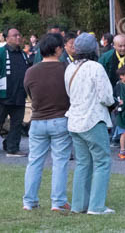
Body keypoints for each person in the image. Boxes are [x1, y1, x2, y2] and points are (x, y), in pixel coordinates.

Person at [64, 33, 115, 215]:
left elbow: (69, 93)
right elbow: (106, 97)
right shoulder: (96, 67)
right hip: (92, 120)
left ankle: (79, 205)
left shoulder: (70, 67)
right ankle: (96, 207)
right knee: (102, 162)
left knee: (83, 164)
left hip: (74, 120)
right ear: (94, 49)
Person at [22, 33, 72, 212]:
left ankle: (29, 201)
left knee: (34, 162)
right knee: (60, 162)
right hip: (60, 119)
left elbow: (29, 92)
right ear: (58, 49)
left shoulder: (31, 71)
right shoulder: (66, 68)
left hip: (37, 120)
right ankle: (58, 201)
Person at [0, 27, 31, 156]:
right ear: (7, 38)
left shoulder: (23, 54)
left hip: (19, 95)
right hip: (3, 96)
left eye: (19, 35)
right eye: (14, 35)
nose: (18, 37)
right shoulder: (1, 53)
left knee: (17, 124)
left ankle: (12, 147)